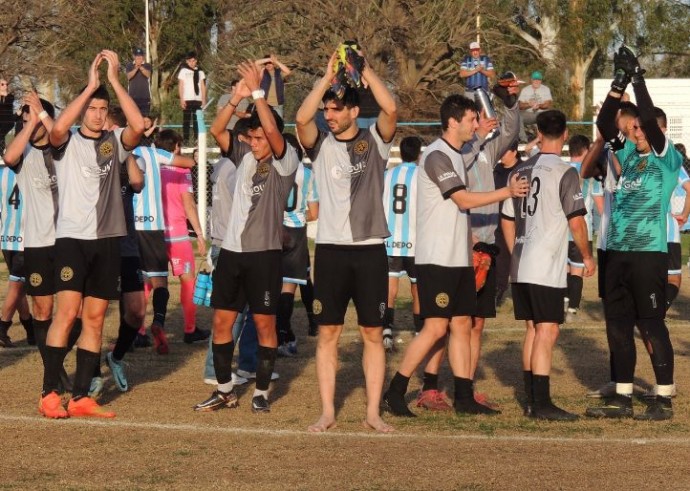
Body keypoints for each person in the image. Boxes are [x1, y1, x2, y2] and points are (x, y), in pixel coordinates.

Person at [383, 94, 528, 418]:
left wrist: (482, 134)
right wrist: (507, 192)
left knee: (462, 324)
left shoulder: (456, 153)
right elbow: (462, 200)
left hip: (458, 257)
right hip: (437, 258)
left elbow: (478, 148)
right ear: (453, 121)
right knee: (435, 328)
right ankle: (394, 391)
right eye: (471, 119)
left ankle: (464, 397)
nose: (476, 124)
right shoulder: (436, 156)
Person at [37, 50, 144, 419]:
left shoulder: (113, 142)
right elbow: (56, 129)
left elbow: (139, 126)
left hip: (108, 240)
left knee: (96, 318)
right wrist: (90, 85)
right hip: (71, 240)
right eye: (93, 108)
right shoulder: (65, 144)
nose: (98, 114)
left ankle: (82, 396)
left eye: (102, 109)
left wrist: (115, 79)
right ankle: (50, 392)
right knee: (66, 314)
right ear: (83, 110)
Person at [295, 48, 397, 433]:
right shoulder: (319, 145)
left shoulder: (375, 142)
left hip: (370, 249)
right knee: (329, 333)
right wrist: (325, 78)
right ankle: (327, 412)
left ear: (355, 111)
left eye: (336, 109)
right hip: (332, 252)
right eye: (328, 110)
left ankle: (372, 413)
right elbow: (301, 118)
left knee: (372, 333)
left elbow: (391, 111)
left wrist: (366, 73)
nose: (329, 115)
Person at [193, 61, 298, 414]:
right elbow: (219, 129)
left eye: (259, 138)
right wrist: (235, 99)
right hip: (232, 254)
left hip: (264, 256)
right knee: (222, 322)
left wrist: (258, 92)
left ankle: (262, 392)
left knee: (264, 325)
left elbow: (271, 126)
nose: (253, 142)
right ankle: (224, 390)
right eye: (251, 137)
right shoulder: (243, 154)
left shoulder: (286, 161)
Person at [586, 46, 682, 420]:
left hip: (648, 255)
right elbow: (606, 125)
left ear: (656, 128)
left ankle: (663, 398)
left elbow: (645, 120)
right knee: (618, 324)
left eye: (640, 126)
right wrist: (618, 83)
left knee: (650, 324)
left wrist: (639, 80)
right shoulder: (627, 157)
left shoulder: (666, 155)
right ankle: (622, 396)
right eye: (634, 126)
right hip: (619, 252)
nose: (634, 130)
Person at [502, 110, 594, 421]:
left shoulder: (520, 169)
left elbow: (507, 216)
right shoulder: (565, 172)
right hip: (545, 265)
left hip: (521, 261)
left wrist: (517, 247)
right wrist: (587, 255)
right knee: (547, 330)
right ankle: (541, 404)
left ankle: (531, 399)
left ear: (539, 134)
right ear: (566, 134)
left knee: (533, 330)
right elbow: (577, 221)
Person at [159, 130, 209, 344]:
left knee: (147, 284)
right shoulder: (182, 170)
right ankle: (190, 330)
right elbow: (189, 204)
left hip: (156, 236)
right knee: (188, 281)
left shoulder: (152, 168)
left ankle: (139, 333)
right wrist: (199, 234)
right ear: (177, 147)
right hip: (178, 235)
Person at [276, 133, 319, 357]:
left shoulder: (273, 169)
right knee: (290, 287)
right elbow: (314, 213)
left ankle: (276, 335)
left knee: (274, 286)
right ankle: (285, 336)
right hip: (295, 233)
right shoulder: (308, 174)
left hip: (272, 232)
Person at [382, 136, 423, 351]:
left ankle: (386, 331)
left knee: (390, 289)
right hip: (415, 242)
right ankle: (419, 330)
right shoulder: (421, 175)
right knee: (418, 288)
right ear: (418, 153)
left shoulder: (387, 175)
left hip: (390, 241)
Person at [564, 134, 601, 323]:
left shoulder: (561, 169)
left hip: (560, 230)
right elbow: (600, 206)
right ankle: (571, 311)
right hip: (581, 229)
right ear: (586, 151)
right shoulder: (590, 175)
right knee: (577, 271)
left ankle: (562, 302)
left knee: (564, 270)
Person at [493, 141, 522, 306]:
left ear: (514, 151)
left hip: (515, 221)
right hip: (497, 220)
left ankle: (519, 289)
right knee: (500, 257)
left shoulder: (522, 170)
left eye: (504, 151)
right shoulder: (496, 170)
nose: (501, 155)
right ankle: (498, 290)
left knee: (514, 257)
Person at [178, 51, 206, 145]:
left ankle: (196, 139)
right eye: (190, 61)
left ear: (196, 61)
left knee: (196, 120)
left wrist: (203, 99)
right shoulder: (183, 71)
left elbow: (202, 85)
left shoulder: (200, 72)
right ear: (187, 61)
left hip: (197, 99)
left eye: (193, 61)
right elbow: (181, 85)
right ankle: (185, 139)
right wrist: (181, 99)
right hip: (187, 99)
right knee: (186, 120)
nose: (192, 63)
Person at [518, 71, 552, 142]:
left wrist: (539, 106)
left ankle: (544, 140)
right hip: (529, 114)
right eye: (535, 79)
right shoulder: (525, 90)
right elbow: (520, 105)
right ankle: (523, 140)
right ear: (531, 80)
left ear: (541, 80)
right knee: (517, 116)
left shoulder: (546, 89)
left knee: (547, 116)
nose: (536, 81)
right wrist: (529, 105)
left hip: (541, 113)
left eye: (538, 79)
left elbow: (548, 104)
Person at [125, 47, 152, 116]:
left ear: (143, 57)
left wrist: (141, 67)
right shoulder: (129, 65)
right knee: (133, 117)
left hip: (145, 98)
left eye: (140, 56)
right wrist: (136, 68)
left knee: (145, 117)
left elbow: (148, 75)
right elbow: (129, 76)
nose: (139, 57)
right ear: (134, 56)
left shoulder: (147, 65)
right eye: (137, 56)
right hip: (132, 97)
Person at [0, 78, 18, 156]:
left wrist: (3, 93)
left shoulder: (10, 96)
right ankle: (2, 153)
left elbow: (8, 101)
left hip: (7, 122)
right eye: (2, 84)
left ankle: (1, 153)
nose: (5, 86)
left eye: (6, 84)